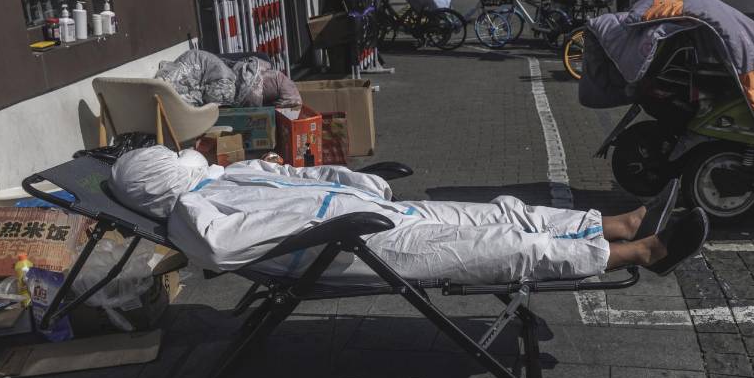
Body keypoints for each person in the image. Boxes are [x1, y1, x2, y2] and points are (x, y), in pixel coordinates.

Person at [109, 147, 707, 285]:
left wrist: (351, 180)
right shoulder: (192, 209)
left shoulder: (219, 175)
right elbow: (217, 250)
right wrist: (327, 224)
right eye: (177, 163)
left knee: (504, 211)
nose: (191, 159)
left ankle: (622, 223)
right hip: (351, 245)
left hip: (371, 212)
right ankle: (639, 254)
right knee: (505, 245)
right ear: (165, 183)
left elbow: (297, 178)